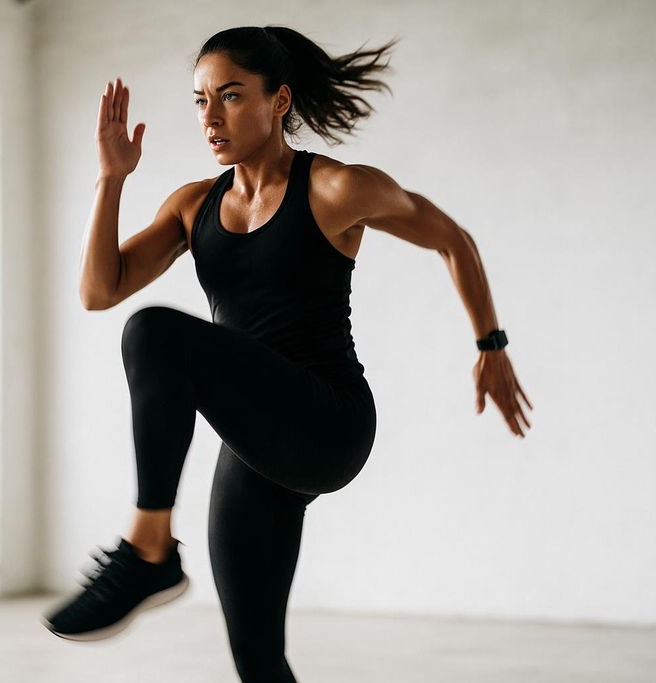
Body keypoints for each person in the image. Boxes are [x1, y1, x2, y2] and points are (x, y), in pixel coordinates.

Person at [41, 25, 533, 683]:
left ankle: (149, 548)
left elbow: (452, 238)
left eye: (232, 96)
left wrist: (490, 345)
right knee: (257, 658)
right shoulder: (195, 206)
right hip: (256, 446)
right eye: (199, 100)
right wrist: (110, 179)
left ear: (279, 102)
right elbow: (100, 290)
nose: (210, 117)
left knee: (154, 332)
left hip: (327, 420)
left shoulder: (334, 189)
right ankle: (152, 553)